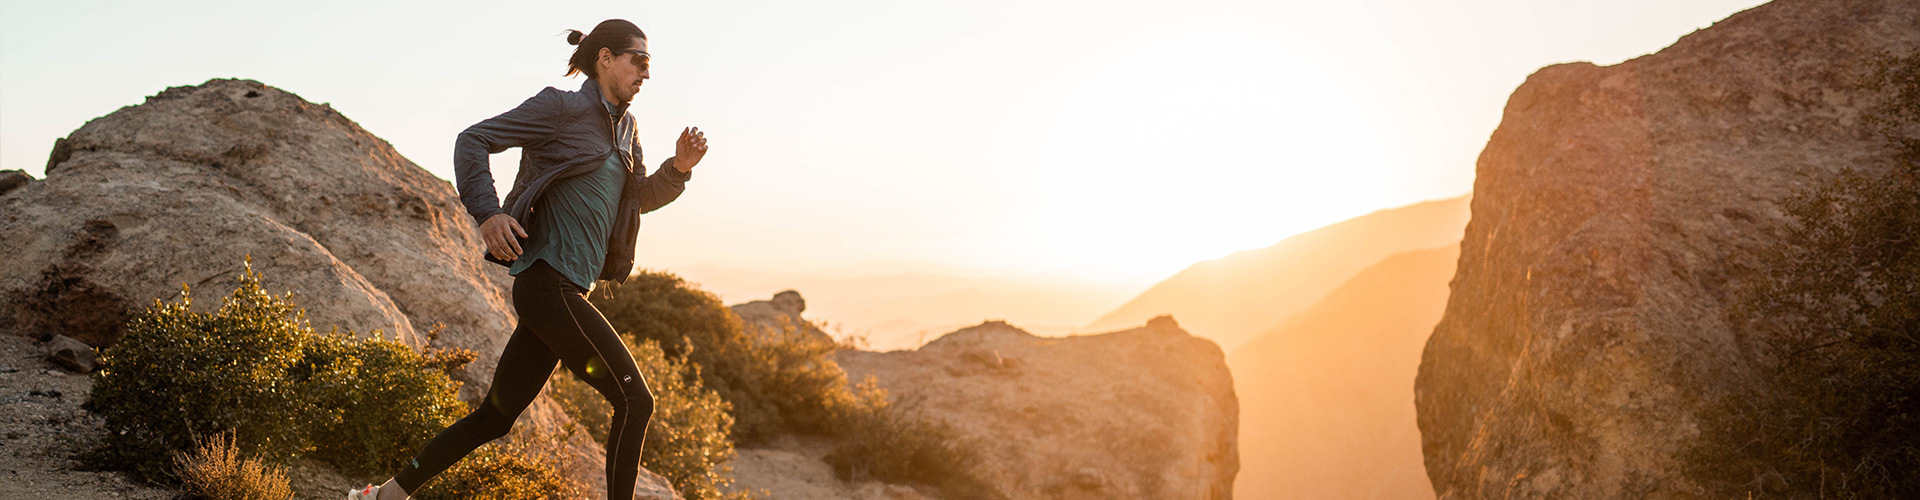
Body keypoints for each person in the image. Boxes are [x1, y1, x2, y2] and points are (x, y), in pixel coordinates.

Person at [348, 18, 709, 500]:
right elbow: (472, 139)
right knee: (635, 401)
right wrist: (488, 213)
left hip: (566, 290)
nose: (646, 73)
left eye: (649, 65)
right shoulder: (559, 108)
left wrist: (678, 170)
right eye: (638, 61)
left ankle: (384, 495)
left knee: (495, 417)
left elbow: (634, 199)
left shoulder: (627, 128)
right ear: (605, 59)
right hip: (547, 284)